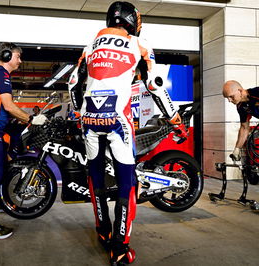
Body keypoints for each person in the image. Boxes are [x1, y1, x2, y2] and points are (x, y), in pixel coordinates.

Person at [68, 2, 187, 265]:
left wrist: (80, 113)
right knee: (127, 184)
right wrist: (175, 120)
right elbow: (155, 86)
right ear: (133, 21)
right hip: (117, 121)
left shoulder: (91, 46)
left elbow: (73, 84)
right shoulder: (137, 44)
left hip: (90, 120)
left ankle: (103, 231)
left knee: (96, 178)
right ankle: (120, 249)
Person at [0, 42, 46, 239]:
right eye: (18, 56)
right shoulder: (1, 74)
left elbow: (3, 108)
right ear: (7, 55)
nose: (20, 61)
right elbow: (8, 105)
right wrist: (32, 119)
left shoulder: (1, 76)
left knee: (5, 166)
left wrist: (18, 119)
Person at [223, 80, 259, 161]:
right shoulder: (241, 107)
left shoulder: (256, 93)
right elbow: (244, 128)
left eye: (231, 96)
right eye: (227, 98)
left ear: (240, 91)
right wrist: (237, 149)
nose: (229, 100)